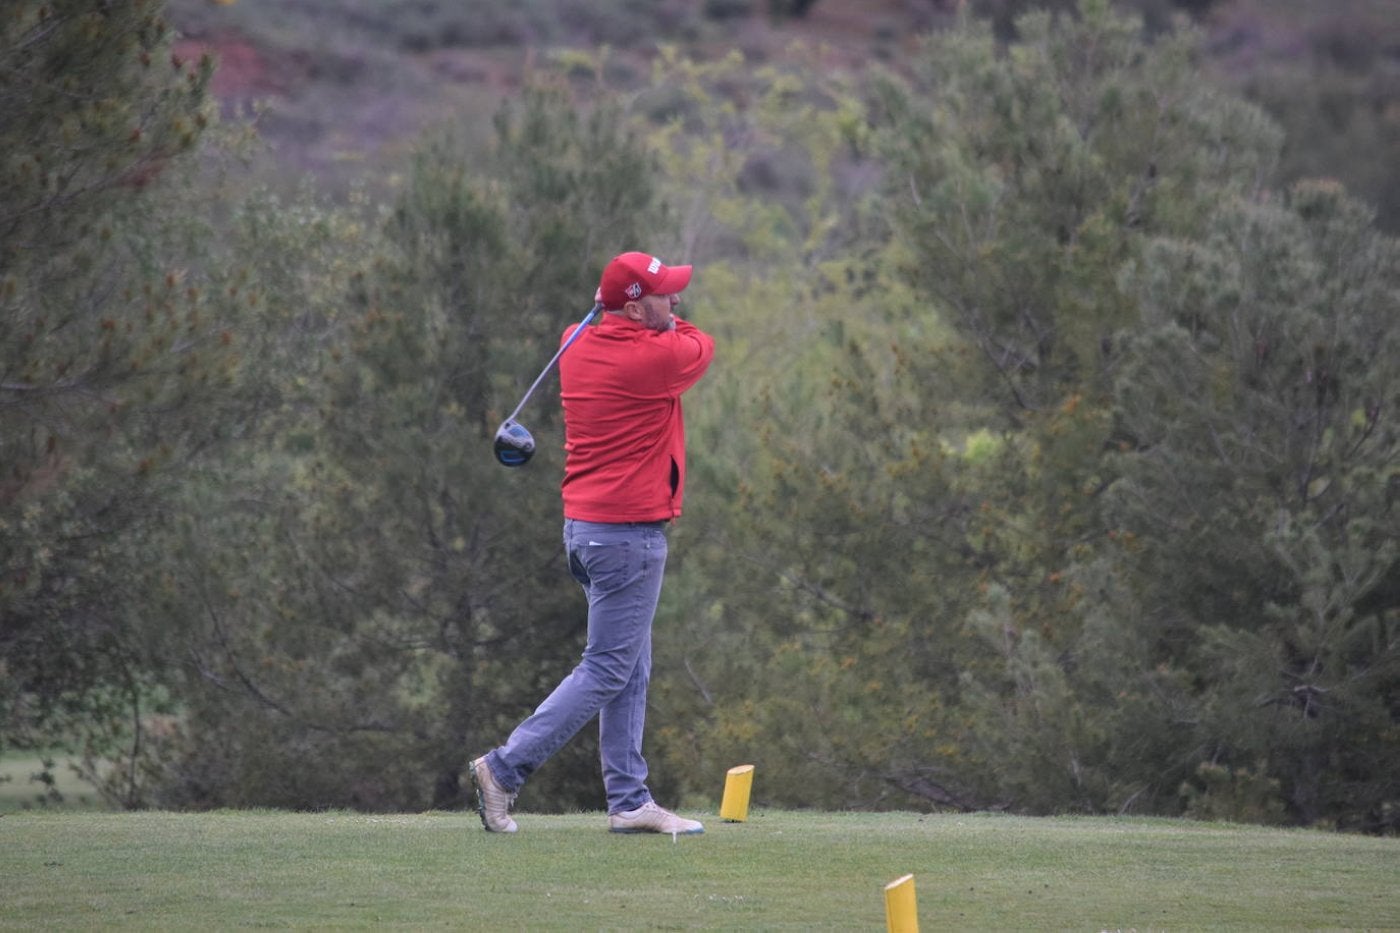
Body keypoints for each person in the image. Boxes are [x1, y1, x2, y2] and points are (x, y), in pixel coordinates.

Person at [468, 251, 716, 834]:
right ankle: (504, 769)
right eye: (664, 294)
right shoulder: (654, 359)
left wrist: (627, 309)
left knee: (629, 664)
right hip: (628, 536)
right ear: (633, 305)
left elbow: (645, 322)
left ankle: (629, 802)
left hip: (586, 530)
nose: (676, 301)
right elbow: (700, 344)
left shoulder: (575, 342)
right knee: (606, 667)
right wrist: (660, 321)